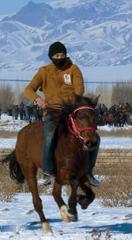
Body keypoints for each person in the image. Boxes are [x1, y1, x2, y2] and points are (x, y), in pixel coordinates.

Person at [23, 41, 101, 187]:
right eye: (56, 55)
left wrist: (70, 105)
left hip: (71, 111)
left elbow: (79, 90)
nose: (60, 57)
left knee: (95, 137)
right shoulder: (43, 71)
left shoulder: (73, 69)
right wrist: (38, 99)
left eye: (62, 55)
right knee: (49, 136)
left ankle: (89, 172)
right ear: (51, 57)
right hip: (52, 112)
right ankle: (46, 173)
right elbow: (28, 90)